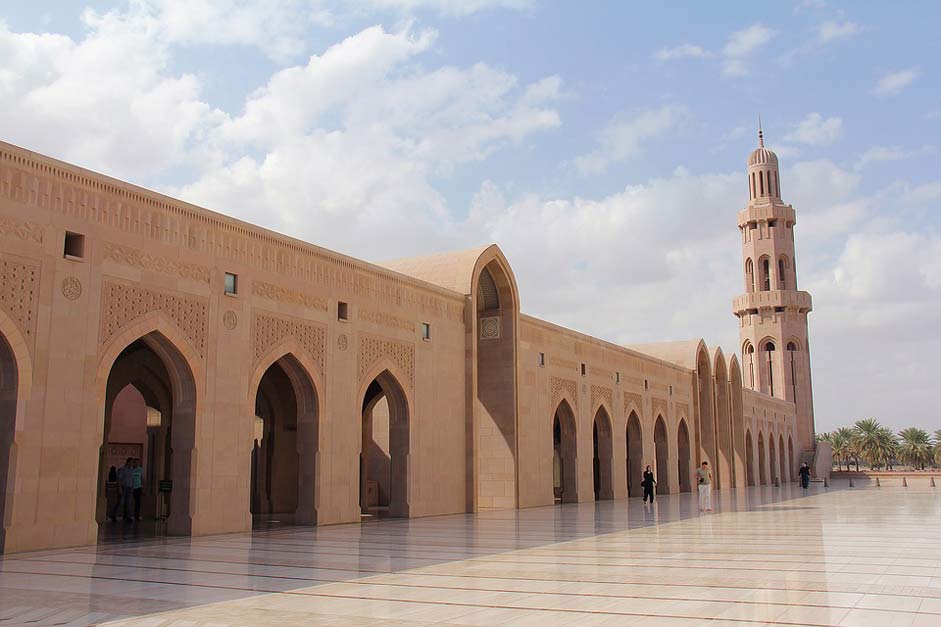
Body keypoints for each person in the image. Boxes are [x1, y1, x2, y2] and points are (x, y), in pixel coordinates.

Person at [117, 457, 135, 522]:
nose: (132, 463)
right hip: (123, 487)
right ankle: (113, 514)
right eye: (132, 462)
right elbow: (119, 479)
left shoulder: (132, 470)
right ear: (128, 462)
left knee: (128, 503)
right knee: (120, 502)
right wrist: (119, 488)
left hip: (130, 488)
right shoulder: (122, 469)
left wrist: (133, 487)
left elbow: (132, 479)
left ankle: (127, 517)